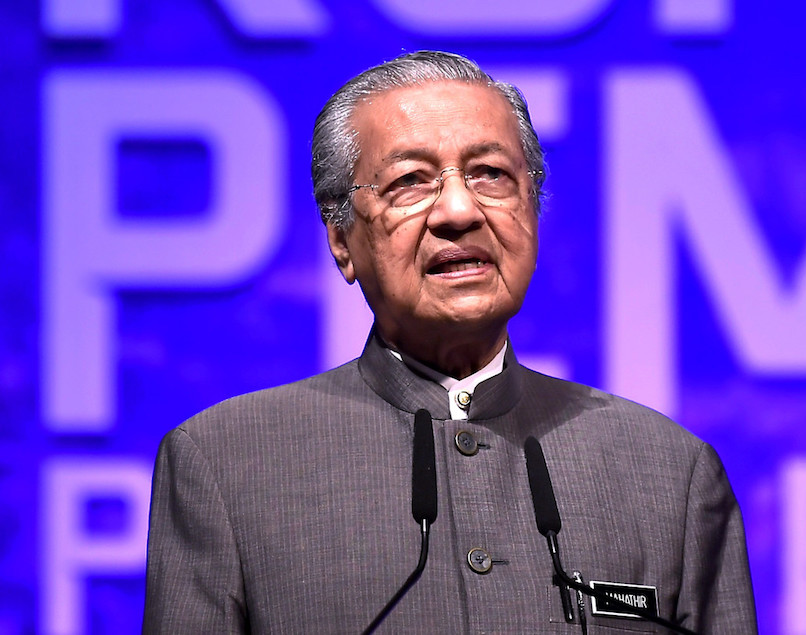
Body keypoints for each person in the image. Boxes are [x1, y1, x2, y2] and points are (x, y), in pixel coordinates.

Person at [143, 50, 757, 633]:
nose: (459, 210)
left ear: (533, 212)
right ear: (340, 239)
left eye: (491, 174)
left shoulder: (669, 473)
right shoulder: (225, 466)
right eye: (411, 181)